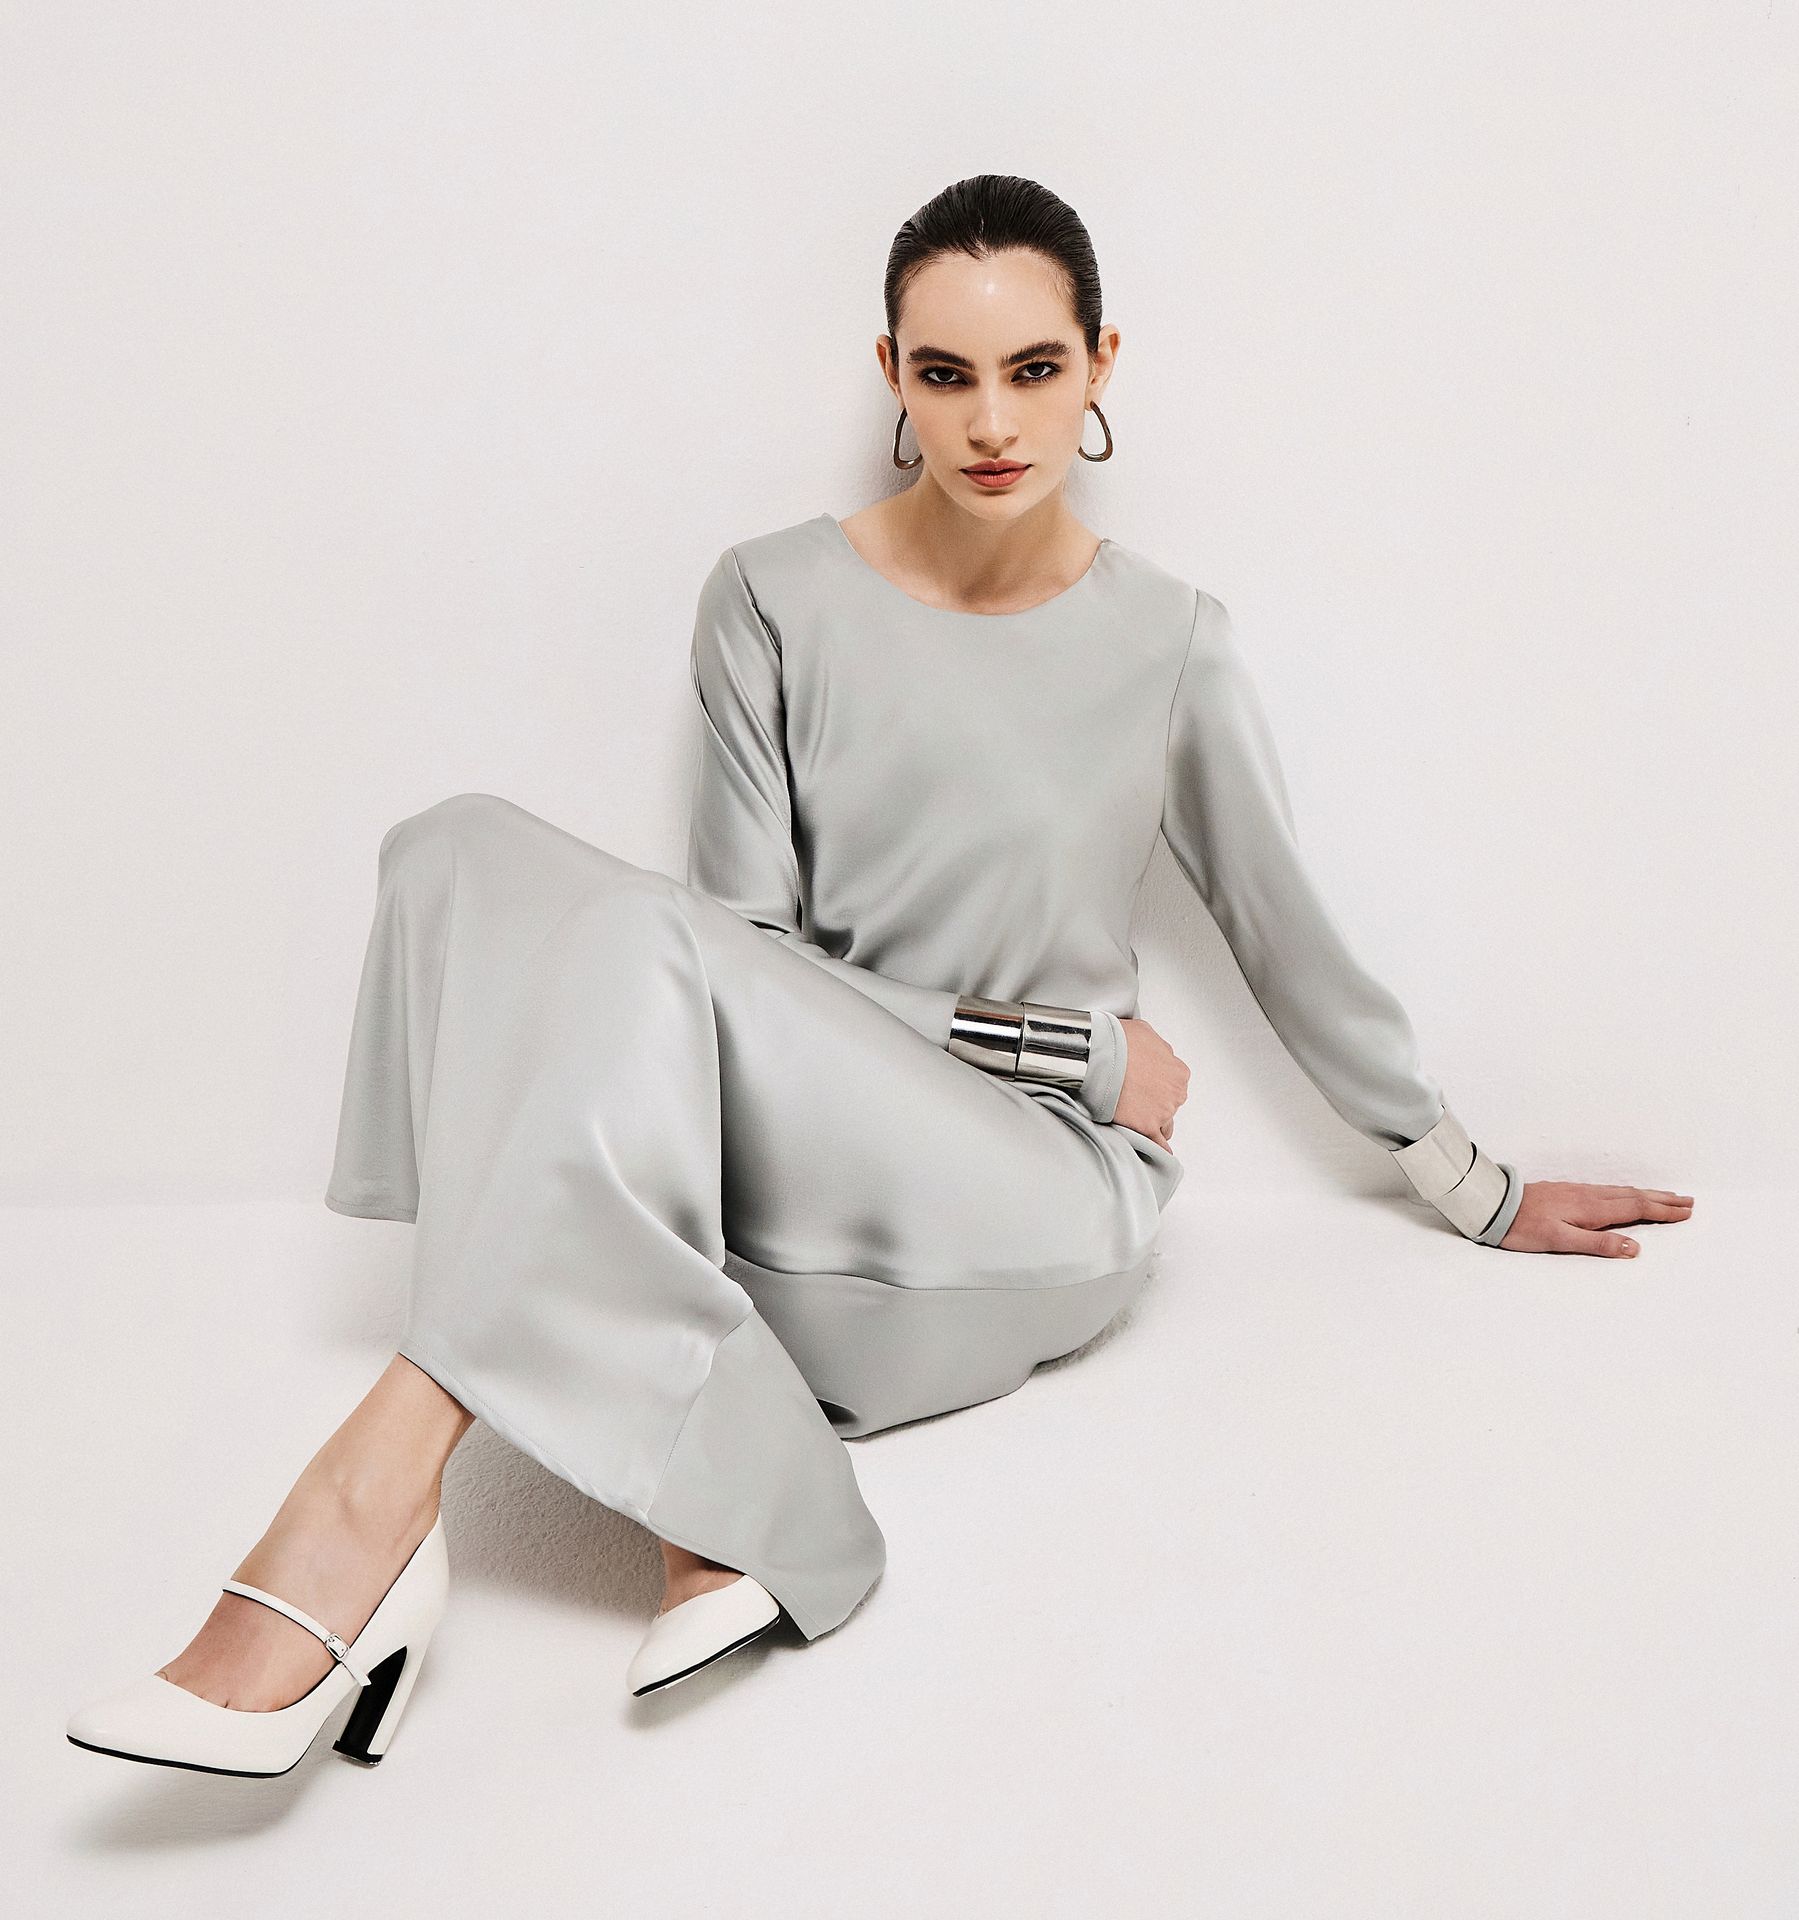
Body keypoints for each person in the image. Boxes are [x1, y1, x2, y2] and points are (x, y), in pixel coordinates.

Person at [65, 173, 1693, 1776]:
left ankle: (373, 1514)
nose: (991, 421)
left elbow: (1290, 939)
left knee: (630, 944)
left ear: (1102, 365)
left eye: (1035, 370)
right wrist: (1073, 1040)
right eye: (946, 372)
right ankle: (726, 1503)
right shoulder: (770, 600)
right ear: (890, 376)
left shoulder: (1170, 645)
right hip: (824, 1171)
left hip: (1038, 1191)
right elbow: (737, 967)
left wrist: (1472, 1184)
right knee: (452, 844)